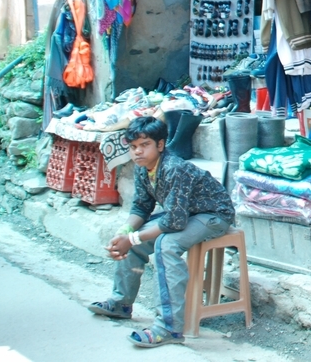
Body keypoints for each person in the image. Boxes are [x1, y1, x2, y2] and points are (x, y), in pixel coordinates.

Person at [87, 116, 235, 348]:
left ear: (160, 145)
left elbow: (174, 221)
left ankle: (169, 328)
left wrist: (132, 238)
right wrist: (125, 232)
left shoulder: (174, 168)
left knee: (166, 245)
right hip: (185, 213)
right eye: (133, 146)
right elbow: (141, 207)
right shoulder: (143, 168)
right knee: (134, 240)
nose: (138, 151)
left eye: (144, 145)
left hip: (213, 214)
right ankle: (121, 303)